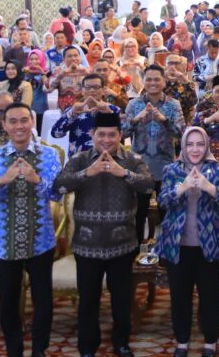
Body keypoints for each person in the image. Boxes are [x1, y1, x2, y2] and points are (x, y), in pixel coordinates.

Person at [54, 111, 152, 357]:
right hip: (87, 245)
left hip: (122, 244)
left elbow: (148, 185)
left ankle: (121, 343)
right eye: (101, 135)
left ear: (120, 135)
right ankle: (88, 346)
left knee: (121, 300)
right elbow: (59, 185)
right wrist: (87, 173)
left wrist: (124, 173)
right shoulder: (80, 159)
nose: (106, 140)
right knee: (88, 300)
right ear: (92, 134)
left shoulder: (132, 160)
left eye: (111, 135)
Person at [0, 103, 62, 357]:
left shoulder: (49, 155)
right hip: (5, 242)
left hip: (40, 240)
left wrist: (37, 180)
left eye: (24, 120)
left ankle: (39, 350)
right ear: (4, 125)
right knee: (9, 303)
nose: (19, 126)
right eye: (13, 121)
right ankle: (14, 350)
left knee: (43, 302)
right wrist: (2, 181)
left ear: (32, 122)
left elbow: (58, 194)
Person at [157, 127, 219, 357]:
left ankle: (210, 341)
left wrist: (207, 187)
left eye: (200, 144)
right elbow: (163, 201)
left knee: (210, 296)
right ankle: (182, 341)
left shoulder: (218, 169)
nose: (195, 149)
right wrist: (182, 188)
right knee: (180, 297)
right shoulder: (171, 170)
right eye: (190, 144)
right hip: (178, 246)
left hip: (210, 245)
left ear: (207, 146)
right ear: (183, 145)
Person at [124, 64, 186, 241]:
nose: (153, 83)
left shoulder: (173, 104)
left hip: (165, 167)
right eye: (149, 79)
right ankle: (136, 250)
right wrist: (136, 119)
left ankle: (166, 251)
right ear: (143, 81)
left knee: (166, 212)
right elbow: (123, 133)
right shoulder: (134, 104)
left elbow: (182, 133)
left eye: (157, 79)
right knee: (138, 214)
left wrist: (164, 120)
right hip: (140, 167)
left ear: (164, 81)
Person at [52, 73, 123, 155]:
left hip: (107, 159)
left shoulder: (114, 110)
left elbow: (123, 134)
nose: (92, 90)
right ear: (82, 91)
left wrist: (110, 115)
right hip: (79, 160)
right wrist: (72, 114)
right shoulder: (73, 110)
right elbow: (56, 134)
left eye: (96, 87)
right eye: (88, 87)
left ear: (103, 90)